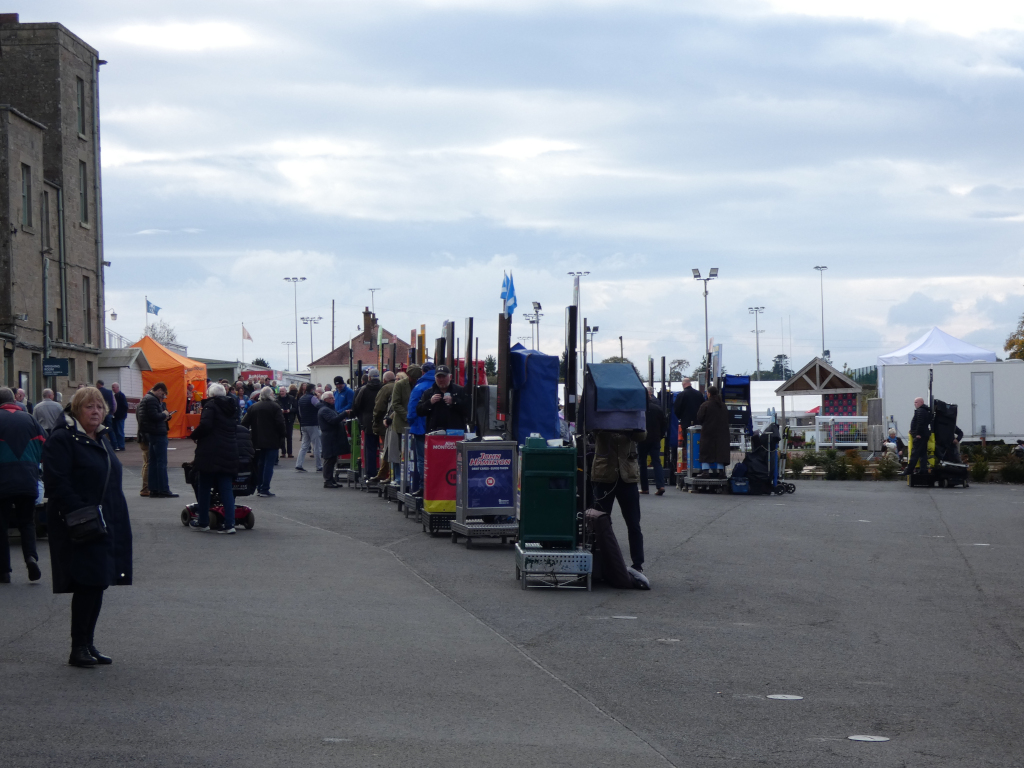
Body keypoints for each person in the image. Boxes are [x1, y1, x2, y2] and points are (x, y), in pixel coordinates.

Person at [43, 386, 133, 667]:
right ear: (76, 410)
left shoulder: (102, 436)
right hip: (82, 523)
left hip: (107, 520)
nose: (95, 412)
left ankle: (88, 643)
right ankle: (78, 646)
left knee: (99, 583)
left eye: (99, 407)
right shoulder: (62, 440)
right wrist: (82, 512)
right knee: (88, 582)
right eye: (89, 407)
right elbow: (57, 482)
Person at [0, 387, 45, 583]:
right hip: (27, 478)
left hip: (2, 480)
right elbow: (45, 445)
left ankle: (4, 570)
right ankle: (31, 558)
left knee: (0, 525)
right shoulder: (30, 420)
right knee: (27, 522)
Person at [591, 424, 647, 575]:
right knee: (600, 523)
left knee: (634, 523)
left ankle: (638, 564)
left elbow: (642, 435)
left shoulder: (633, 413)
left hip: (627, 476)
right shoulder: (600, 415)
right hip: (604, 474)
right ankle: (600, 563)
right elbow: (591, 428)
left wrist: (627, 427)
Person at [189, 383, 240, 533]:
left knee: (204, 486)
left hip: (210, 451)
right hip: (229, 449)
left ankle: (203, 521)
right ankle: (230, 524)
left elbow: (205, 425)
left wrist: (194, 435)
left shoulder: (210, 406)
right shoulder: (232, 407)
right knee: (226, 488)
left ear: (211, 395)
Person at [242, 386, 286, 497]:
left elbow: (244, 423)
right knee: (268, 465)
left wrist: (249, 434)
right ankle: (265, 488)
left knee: (260, 464)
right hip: (272, 439)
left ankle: (259, 487)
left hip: (257, 440)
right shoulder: (275, 407)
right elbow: (280, 423)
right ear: (270, 395)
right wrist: (283, 434)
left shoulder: (253, 407)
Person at [137, 383, 177, 498]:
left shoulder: (146, 399)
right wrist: (164, 414)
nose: (163, 397)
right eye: (163, 394)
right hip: (158, 433)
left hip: (151, 434)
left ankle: (154, 489)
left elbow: (148, 417)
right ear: (159, 390)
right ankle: (163, 489)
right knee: (161, 463)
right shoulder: (152, 400)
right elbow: (154, 416)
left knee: (153, 463)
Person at [406, 362, 436, 493]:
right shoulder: (440, 386)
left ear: (423, 372)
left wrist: (412, 422)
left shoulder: (418, 387)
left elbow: (412, 409)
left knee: (422, 459)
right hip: (437, 428)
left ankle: (424, 487)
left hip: (420, 428)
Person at [389, 365, 421, 483]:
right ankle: (398, 478)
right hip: (401, 423)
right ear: (408, 376)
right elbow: (395, 404)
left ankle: (412, 478)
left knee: (414, 452)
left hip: (416, 423)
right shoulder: (400, 385)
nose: (414, 380)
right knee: (400, 452)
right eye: (413, 377)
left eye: (417, 378)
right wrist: (407, 416)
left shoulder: (419, 384)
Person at [416, 364, 469, 433]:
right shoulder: (429, 393)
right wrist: (430, 402)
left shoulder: (459, 391)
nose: (441, 379)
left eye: (444, 377)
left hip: (455, 433)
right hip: (435, 434)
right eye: (438, 377)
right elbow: (419, 411)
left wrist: (454, 401)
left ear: (450, 377)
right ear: (435, 378)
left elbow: (468, 410)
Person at [353, 369, 383, 481]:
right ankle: (384, 472)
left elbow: (356, 406)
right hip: (382, 422)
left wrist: (361, 419)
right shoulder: (383, 388)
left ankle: (370, 473)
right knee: (384, 449)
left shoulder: (363, 390)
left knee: (370, 449)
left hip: (368, 422)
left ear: (369, 378)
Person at [695, 386, 730, 477]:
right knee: (720, 451)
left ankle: (705, 471)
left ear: (709, 394)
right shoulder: (723, 405)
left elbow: (699, 418)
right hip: (722, 433)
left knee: (706, 451)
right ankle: (721, 471)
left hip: (708, 432)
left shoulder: (705, 405)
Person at [638, 387, 666, 495]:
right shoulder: (657, 409)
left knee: (642, 463)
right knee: (657, 462)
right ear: (650, 396)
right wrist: (660, 436)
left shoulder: (640, 409)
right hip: (655, 438)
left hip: (642, 438)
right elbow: (664, 424)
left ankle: (645, 488)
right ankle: (661, 486)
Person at [318, 390, 346, 488]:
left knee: (332, 458)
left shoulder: (329, 409)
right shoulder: (325, 410)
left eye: (333, 398)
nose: (333, 399)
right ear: (326, 399)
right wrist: (344, 414)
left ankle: (331, 479)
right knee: (329, 459)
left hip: (332, 436)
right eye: (331, 398)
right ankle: (327, 480)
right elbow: (333, 420)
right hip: (329, 437)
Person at [372, 371, 397, 481]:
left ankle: (385, 474)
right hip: (395, 422)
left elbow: (379, 407)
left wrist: (376, 420)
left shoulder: (385, 388)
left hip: (386, 423)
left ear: (384, 380)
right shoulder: (399, 386)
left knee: (387, 450)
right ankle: (388, 474)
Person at [295, 383, 321, 472]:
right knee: (317, 446)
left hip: (304, 424)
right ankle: (319, 465)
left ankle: (299, 464)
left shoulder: (301, 398)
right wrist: (319, 399)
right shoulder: (312, 398)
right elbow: (319, 407)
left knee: (304, 446)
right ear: (312, 390)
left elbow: (300, 412)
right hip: (313, 424)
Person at [903, 397, 932, 476]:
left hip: (920, 436)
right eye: (914, 402)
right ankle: (923, 470)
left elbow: (920, 423)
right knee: (923, 454)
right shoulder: (925, 410)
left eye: (916, 402)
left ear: (921, 402)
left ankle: (909, 470)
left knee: (915, 453)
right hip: (924, 435)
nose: (915, 404)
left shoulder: (920, 411)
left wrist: (917, 434)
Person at [278, 386, 296, 458]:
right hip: (281, 420)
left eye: (283, 391)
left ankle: (290, 453)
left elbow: (295, 408)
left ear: (286, 391)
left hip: (289, 419)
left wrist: (289, 410)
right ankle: (283, 452)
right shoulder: (277, 399)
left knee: (289, 437)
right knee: (282, 436)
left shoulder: (291, 398)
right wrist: (280, 411)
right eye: (280, 391)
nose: (282, 393)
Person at [110, 383, 129, 451]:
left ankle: (121, 445)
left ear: (118, 387)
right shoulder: (115, 395)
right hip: (116, 417)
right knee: (116, 431)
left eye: (114, 387)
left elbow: (125, 406)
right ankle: (118, 445)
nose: (113, 389)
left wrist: (120, 414)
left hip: (119, 417)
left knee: (119, 431)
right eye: (112, 387)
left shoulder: (121, 396)